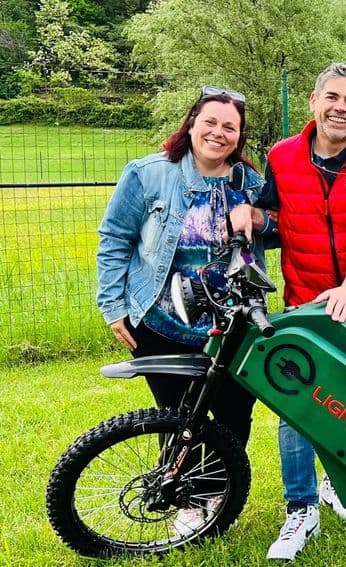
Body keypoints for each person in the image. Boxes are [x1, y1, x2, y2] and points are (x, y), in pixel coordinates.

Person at [96, 86, 267, 535]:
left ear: (239, 135)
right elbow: (114, 240)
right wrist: (113, 306)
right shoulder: (148, 175)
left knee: (233, 415)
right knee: (177, 415)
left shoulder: (250, 183)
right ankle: (185, 499)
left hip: (231, 326)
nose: (218, 132)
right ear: (191, 123)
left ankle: (216, 495)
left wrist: (257, 216)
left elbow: (278, 232)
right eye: (210, 122)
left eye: (230, 127)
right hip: (163, 322)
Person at [255, 63, 346, 561]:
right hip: (303, 297)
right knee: (295, 398)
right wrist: (251, 216)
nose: (341, 108)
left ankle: (341, 483)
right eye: (332, 97)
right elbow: (272, 216)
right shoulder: (281, 156)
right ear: (314, 102)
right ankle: (300, 508)